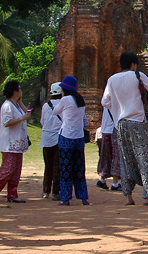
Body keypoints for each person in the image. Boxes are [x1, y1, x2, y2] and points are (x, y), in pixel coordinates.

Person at [101, 52, 148, 207]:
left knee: (125, 159)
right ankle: (147, 196)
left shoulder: (112, 79)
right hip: (136, 122)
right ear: (134, 64)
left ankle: (128, 197)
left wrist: (117, 107)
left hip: (120, 124)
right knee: (144, 159)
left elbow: (105, 101)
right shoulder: (137, 75)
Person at [0, 80, 30, 203]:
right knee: (8, 169)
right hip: (10, 143)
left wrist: (21, 103)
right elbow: (7, 122)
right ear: (15, 91)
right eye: (19, 89)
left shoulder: (16, 105)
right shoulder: (7, 106)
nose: (21, 91)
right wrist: (22, 118)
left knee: (16, 170)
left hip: (18, 142)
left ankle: (12, 194)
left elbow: (27, 113)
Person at [51, 76, 89, 206]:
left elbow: (55, 111)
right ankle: (83, 197)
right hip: (79, 138)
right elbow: (84, 119)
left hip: (66, 136)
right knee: (79, 168)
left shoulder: (65, 99)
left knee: (65, 168)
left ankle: (66, 197)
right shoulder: (80, 100)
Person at [40, 82, 62, 200]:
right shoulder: (63, 104)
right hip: (58, 138)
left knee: (47, 165)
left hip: (46, 138)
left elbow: (42, 122)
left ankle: (45, 191)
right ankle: (56, 192)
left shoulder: (45, 106)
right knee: (57, 166)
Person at [95, 97, 121, 193]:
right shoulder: (116, 101)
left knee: (105, 157)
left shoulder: (106, 101)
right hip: (113, 131)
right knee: (116, 157)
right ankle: (115, 183)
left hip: (105, 131)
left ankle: (102, 179)